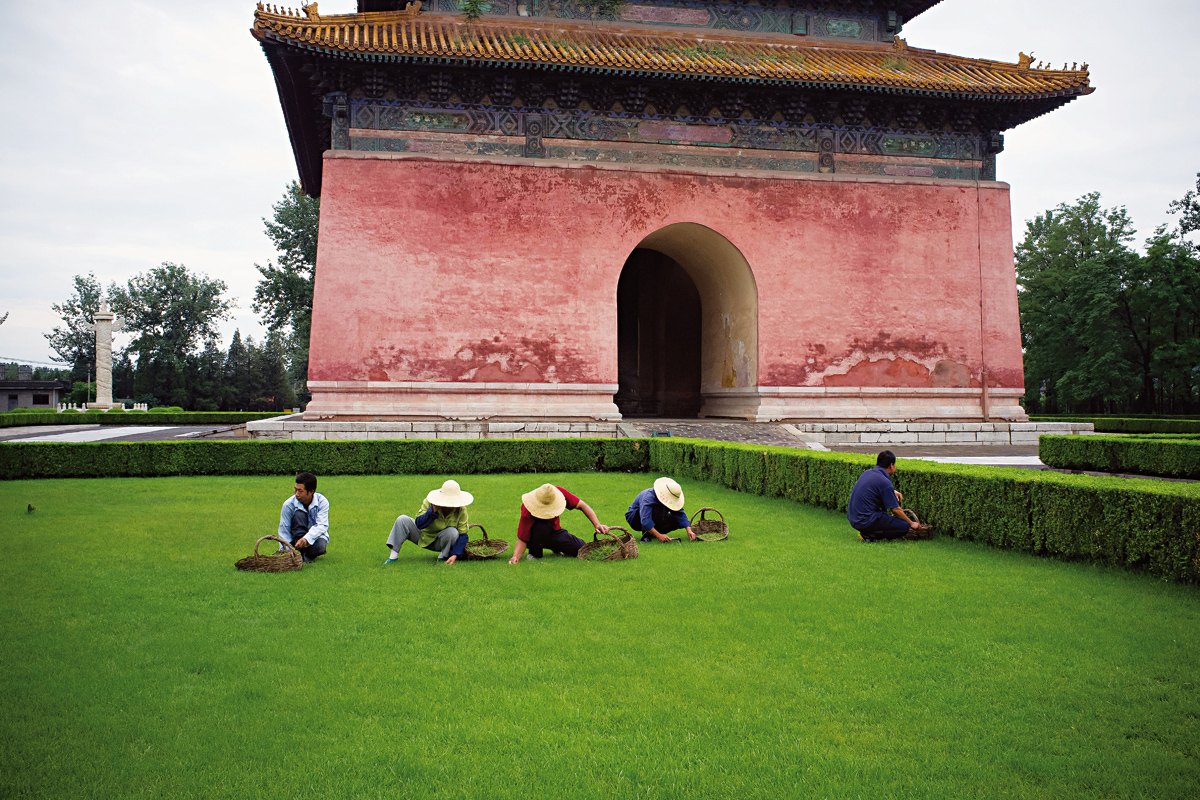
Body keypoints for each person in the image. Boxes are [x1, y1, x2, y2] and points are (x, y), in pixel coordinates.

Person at [509, 483, 610, 563]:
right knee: (542, 526)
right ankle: (534, 554)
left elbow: (582, 505)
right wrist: (515, 557)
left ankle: (556, 547)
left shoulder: (559, 493)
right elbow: (522, 538)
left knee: (581, 548)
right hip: (535, 536)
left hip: (554, 532)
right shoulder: (528, 508)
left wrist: (597, 524)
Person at [383, 479, 472, 565]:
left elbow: (463, 535)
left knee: (453, 532)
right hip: (422, 535)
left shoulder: (461, 510)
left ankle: (443, 556)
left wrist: (454, 554)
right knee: (402, 519)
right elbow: (419, 524)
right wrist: (432, 512)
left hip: (441, 542)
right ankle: (393, 556)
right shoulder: (429, 502)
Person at [847, 450, 920, 542]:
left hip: (854, 518)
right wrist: (911, 523)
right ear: (891, 465)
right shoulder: (885, 482)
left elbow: (874, 488)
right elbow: (896, 510)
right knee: (904, 527)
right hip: (865, 521)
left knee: (886, 517)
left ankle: (867, 532)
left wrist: (892, 491)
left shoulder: (867, 472)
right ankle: (869, 534)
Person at [278, 471, 329, 563]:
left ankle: (303, 556)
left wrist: (306, 539)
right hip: (295, 540)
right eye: (295, 490)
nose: (296, 494)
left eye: (300, 491)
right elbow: (284, 529)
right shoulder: (288, 505)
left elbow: (322, 526)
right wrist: (285, 551)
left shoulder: (322, 502)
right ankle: (300, 555)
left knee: (320, 547)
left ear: (311, 492)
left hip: (314, 538)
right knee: (299, 514)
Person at [625, 476, 695, 543]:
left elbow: (680, 513)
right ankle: (646, 536)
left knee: (676, 519)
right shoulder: (648, 496)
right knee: (655, 510)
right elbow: (645, 520)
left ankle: (653, 533)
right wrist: (659, 536)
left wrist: (689, 530)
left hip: (656, 516)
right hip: (635, 519)